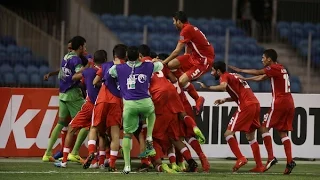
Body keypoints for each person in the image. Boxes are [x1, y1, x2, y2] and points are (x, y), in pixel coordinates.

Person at [228, 49, 296, 174]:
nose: (262, 60)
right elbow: (261, 77)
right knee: (282, 133)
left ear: (269, 59)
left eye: (263, 57)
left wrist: (241, 71)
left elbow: (258, 71)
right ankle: (290, 161)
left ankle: (271, 158)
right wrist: (246, 79)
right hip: (290, 102)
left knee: (264, 128)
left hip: (279, 102)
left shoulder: (273, 67)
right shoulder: (281, 68)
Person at [197, 61, 264, 172]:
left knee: (228, 134)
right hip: (255, 104)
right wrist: (225, 99)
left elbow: (223, 87)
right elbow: (239, 93)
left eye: (213, 71)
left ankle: (241, 158)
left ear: (219, 71)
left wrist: (207, 87)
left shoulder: (224, 76)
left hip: (246, 106)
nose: (212, 73)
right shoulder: (233, 76)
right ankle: (260, 165)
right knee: (250, 137)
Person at [109, 46, 163, 174]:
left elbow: (111, 72)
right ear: (139, 56)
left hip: (129, 104)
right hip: (145, 101)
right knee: (151, 113)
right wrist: (150, 61)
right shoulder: (148, 66)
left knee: (127, 135)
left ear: (127, 56)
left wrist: (119, 64)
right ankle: (149, 136)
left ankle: (127, 166)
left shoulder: (119, 68)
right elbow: (161, 66)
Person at [54, 50, 107, 168]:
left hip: (89, 105)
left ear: (93, 60)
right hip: (103, 106)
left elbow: (74, 77)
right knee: (101, 133)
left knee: (71, 129)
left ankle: (64, 161)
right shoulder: (106, 71)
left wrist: (85, 69)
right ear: (105, 60)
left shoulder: (88, 71)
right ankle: (101, 161)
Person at [42, 36, 87, 163]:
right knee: (87, 122)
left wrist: (51, 74)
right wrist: (88, 68)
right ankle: (74, 152)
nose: (85, 48)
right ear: (80, 47)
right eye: (84, 46)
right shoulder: (77, 60)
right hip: (73, 95)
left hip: (62, 94)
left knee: (61, 123)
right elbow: (77, 75)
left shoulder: (66, 57)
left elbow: (63, 71)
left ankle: (47, 153)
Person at [161, 11, 215, 115]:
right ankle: (183, 79)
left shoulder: (186, 30)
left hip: (204, 61)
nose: (173, 23)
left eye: (174, 21)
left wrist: (163, 63)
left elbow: (176, 51)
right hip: (193, 57)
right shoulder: (188, 28)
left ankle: (198, 99)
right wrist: (186, 56)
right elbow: (190, 44)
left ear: (179, 21)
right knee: (171, 65)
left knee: (181, 81)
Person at [83, 44, 126, 171]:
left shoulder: (106, 65)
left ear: (114, 55)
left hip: (102, 100)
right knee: (115, 134)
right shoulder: (127, 68)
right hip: (117, 102)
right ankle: (112, 163)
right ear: (126, 56)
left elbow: (95, 82)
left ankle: (91, 152)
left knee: (94, 128)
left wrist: (104, 82)